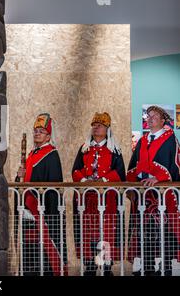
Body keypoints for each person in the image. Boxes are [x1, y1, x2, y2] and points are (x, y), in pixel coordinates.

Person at [127, 105, 180, 276]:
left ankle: (166, 266)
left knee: (165, 231)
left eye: (154, 116)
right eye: (147, 116)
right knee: (145, 231)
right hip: (144, 194)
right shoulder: (143, 140)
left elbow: (175, 164)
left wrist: (159, 179)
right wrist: (132, 184)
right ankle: (147, 266)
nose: (149, 119)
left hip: (163, 195)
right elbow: (135, 164)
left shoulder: (170, 139)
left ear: (163, 120)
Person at [72, 112, 125, 276]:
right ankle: (90, 264)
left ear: (107, 129)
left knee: (106, 232)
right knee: (88, 233)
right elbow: (75, 170)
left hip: (107, 200)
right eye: (94, 125)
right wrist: (83, 181)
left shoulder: (114, 150)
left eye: (100, 125)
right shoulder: (84, 148)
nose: (96, 128)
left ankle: (106, 265)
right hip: (87, 201)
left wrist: (103, 181)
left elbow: (120, 173)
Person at [17, 113, 65, 276]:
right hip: (28, 212)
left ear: (48, 136)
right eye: (35, 130)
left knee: (44, 250)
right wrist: (19, 175)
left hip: (43, 212)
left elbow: (52, 189)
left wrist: (45, 211)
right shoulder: (31, 154)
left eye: (41, 131)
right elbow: (22, 182)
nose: (37, 133)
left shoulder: (51, 155)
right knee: (30, 248)